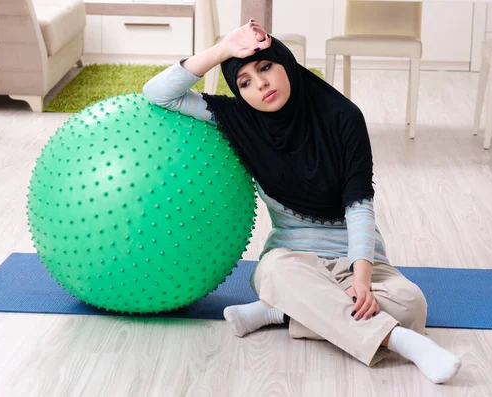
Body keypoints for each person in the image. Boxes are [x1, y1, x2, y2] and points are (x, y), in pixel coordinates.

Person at [143, 19, 462, 384]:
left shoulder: (343, 117)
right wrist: (222, 50)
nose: (260, 84)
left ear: (286, 63)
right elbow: (158, 93)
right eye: (244, 81)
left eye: (265, 67)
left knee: (411, 304)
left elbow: (359, 204)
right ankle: (403, 342)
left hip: (355, 257)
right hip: (293, 260)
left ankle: (281, 313)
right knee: (274, 273)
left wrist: (361, 279)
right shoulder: (238, 119)